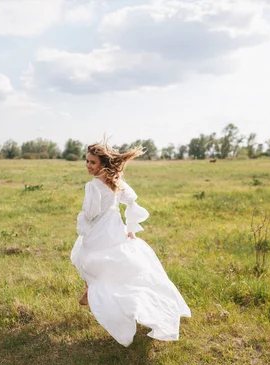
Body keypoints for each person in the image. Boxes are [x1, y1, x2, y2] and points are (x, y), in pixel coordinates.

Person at [70, 140, 191, 347]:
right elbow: (131, 199)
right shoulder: (115, 181)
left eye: (92, 162)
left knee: (89, 261)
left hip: (99, 233)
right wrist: (130, 227)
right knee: (110, 266)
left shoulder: (93, 186)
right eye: (87, 161)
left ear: (102, 164)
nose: (88, 166)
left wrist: (81, 221)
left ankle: (105, 298)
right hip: (115, 230)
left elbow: (90, 214)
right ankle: (92, 291)